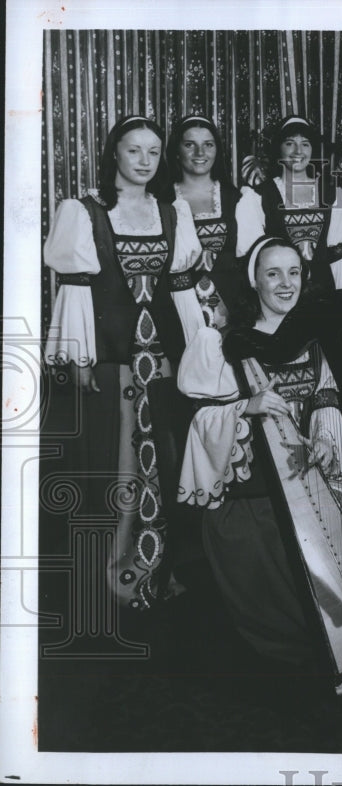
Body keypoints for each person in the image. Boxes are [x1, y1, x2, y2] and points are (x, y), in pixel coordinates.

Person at [176, 236, 342, 676]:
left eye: (295, 273)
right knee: (275, 543)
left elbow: (325, 397)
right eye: (273, 274)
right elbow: (202, 418)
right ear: (255, 283)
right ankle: (323, 644)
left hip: (312, 470)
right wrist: (247, 406)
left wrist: (323, 436)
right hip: (257, 482)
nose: (286, 284)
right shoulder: (223, 345)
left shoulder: (313, 340)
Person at [43, 115, 204, 609]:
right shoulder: (85, 211)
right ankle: (117, 582)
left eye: (153, 152)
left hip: (164, 364)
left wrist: (202, 357)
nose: (144, 161)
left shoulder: (172, 211)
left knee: (168, 466)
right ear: (115, 152)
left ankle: (160, 574)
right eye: (134, 151)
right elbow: (74, 292)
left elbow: (182, 294)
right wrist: (80, 357)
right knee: (120, 472)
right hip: (113, 362)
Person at [236, 114, 342, 302]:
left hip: (326, 296)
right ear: (278, 148)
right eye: (289, 143)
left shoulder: (332, 194)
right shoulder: (259, 197)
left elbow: (340, 261)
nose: (297, 151)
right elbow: (253, 259)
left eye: (305, 144)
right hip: (280, 297)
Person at [167, 114, 248, 328]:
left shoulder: (236, 198)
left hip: (230, 308)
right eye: (189, 145)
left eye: (208, 145)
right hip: (177, 307)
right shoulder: (162, 199)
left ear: (217, 150)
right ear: (176, 150)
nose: (200, 153)